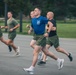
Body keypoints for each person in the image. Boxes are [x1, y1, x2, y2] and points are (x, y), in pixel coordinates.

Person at [23, 8, 64, 74]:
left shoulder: (42, 18)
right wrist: (30, 30)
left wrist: (47, 32)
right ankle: (59, 60)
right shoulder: (33, 19)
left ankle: (32, 68)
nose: (34, 11)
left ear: (39, 12)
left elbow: (51, 24)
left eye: (35, 10)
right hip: (36, 36)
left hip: (41, 37)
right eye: (34, 11)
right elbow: (32, 27)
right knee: (46, 52)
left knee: (36, 51)